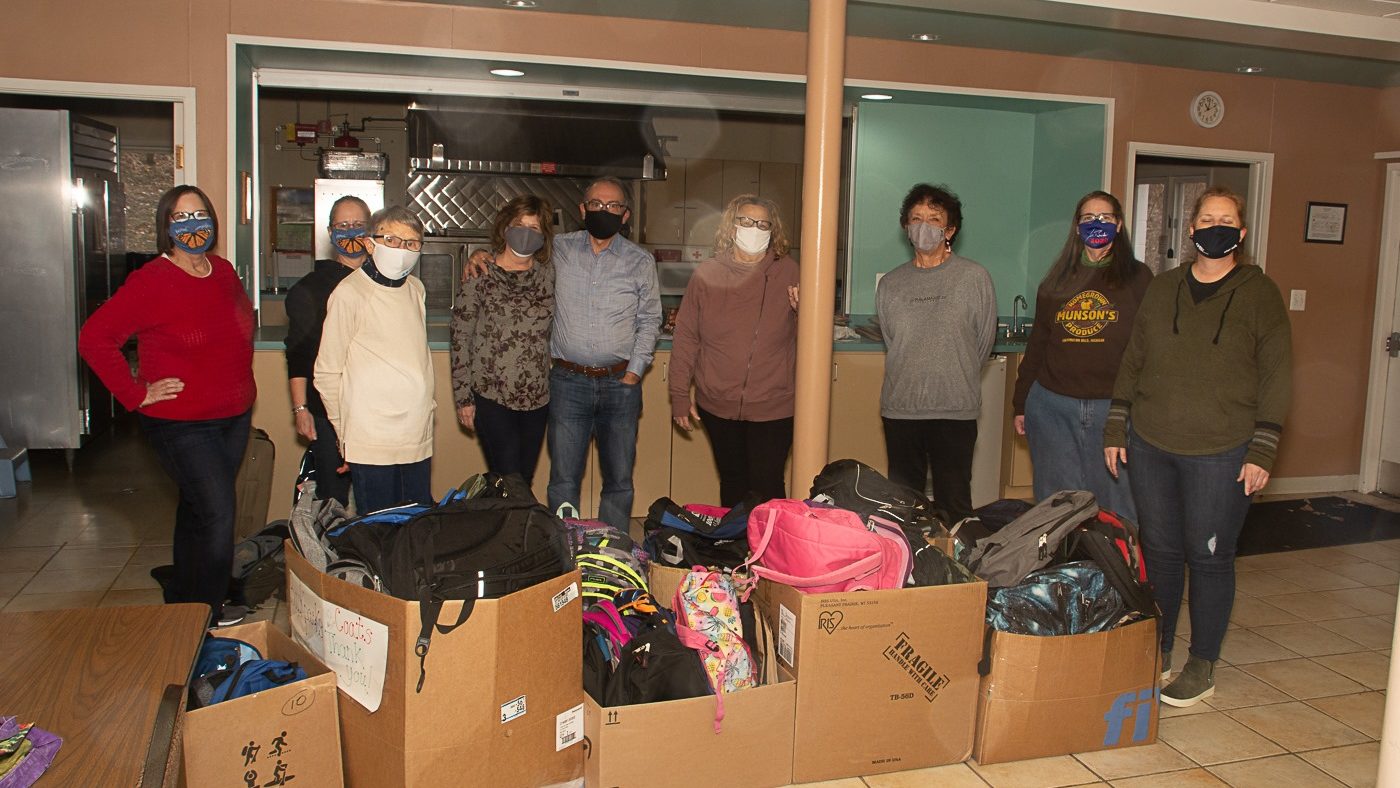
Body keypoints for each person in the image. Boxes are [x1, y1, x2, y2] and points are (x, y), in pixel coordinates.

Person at [1104, 186, 1292, 707]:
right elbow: (1135, 358)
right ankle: (1157, 653)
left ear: (1242, 233)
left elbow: (1278, 374)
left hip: (1223, 450)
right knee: (1161, 553)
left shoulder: (1260, 293)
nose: (1216, 227)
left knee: (1209, 557)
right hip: (1152, 442)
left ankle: (1201, 663)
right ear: (1190, 230)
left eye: (1226, 220)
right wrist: (1117, 427)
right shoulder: (1163, 289)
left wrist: (1264, 449)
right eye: (1207, 218)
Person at [78, 185, 255, 626]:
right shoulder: (151, 281)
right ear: (166, 227)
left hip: (232, 417)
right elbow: (94, 339)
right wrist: (136, 393)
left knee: (196, 509)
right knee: (217, 511)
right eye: (181, 218)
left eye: (200, 215)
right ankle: (208, 614)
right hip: (179, 423)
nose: (193, 225)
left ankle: (184, 599)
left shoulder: (224, 271)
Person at [1012, 191, 1152, 520]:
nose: (1096, 224)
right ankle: (1062, 569)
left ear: (1118, 224)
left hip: (1114, 410)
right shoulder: (1055, 282)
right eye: (1088, 218)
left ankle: (1119, 569)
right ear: (1077, 228)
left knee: (1116, 503)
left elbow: (1150, 346)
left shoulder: (1140, 279)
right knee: (1056, 504)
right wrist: (1021, 403)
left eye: (1105, 217)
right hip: (1052, 408)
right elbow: (1038, 345)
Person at [875, 183, 996, 524]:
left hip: (954, 408)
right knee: (904, 508)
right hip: (901, 409)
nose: (923, 226)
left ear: (950, 229)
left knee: (954, 503)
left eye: (933, 219)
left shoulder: (974, 278)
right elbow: (893, 339)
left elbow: (983, 343)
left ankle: (959, 574)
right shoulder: (891, 284)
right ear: (906, 228)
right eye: (916, 219)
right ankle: (910, 570)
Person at [669, 194, 800, 506]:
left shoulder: (792, 273)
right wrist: (678, 395)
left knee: (767, 486)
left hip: (774, 405)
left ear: (773, 231)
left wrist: (803, 312)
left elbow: (814, 339)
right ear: (731, 227)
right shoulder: (707, 274)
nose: (753, 229)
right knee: (733, 481)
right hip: (717, 403)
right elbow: (687, 336)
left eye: (762, 224)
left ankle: (769, 552)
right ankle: (735, 550)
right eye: (745, 221)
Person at [546, 176, 661, 530]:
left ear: (625, 215)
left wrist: (635, 371)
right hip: (567, 381)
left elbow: (650, 319)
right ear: (582, 209)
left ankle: (613, 554)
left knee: (619, 480)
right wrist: (483, 254)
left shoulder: (640, 260)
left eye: (613, 206)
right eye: (596, 204)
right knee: (564, 478)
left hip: (620, 383)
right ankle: (566, 551)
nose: (604, 211)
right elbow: (515, 259)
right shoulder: (557, 250)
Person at [315, 205, 435, 513]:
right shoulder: (349, 293)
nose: (402, 250)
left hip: (415, 434)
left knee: (416, 527)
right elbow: (327, 372)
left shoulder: (416, 290)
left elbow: (417, 356)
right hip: (371, 438)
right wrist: (343, 433)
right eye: (392, 240)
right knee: (379, 530)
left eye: (411, 243)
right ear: (371, 244)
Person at [451, 195, 555, 487]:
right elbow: (461, 336)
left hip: (537, 397)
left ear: (543, 235)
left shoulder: (548, 275)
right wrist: (463, 398)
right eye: (519, 225)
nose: (526, 233)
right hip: (492, 394)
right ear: (504, 227)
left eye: (534, 228)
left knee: (522, 478)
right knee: (509, 476)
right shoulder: (480, 273)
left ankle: (507, 527)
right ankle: (511, 528)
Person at [283, 195, 371, 506]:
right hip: (327, 410)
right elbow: (298, 353)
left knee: (374, 496)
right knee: (333, 497)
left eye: (359, 225)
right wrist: (300, 409)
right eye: (343, 225)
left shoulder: (386, 280)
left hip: (375, 409)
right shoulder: (311, 288)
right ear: (331, 232)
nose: (351, 232)